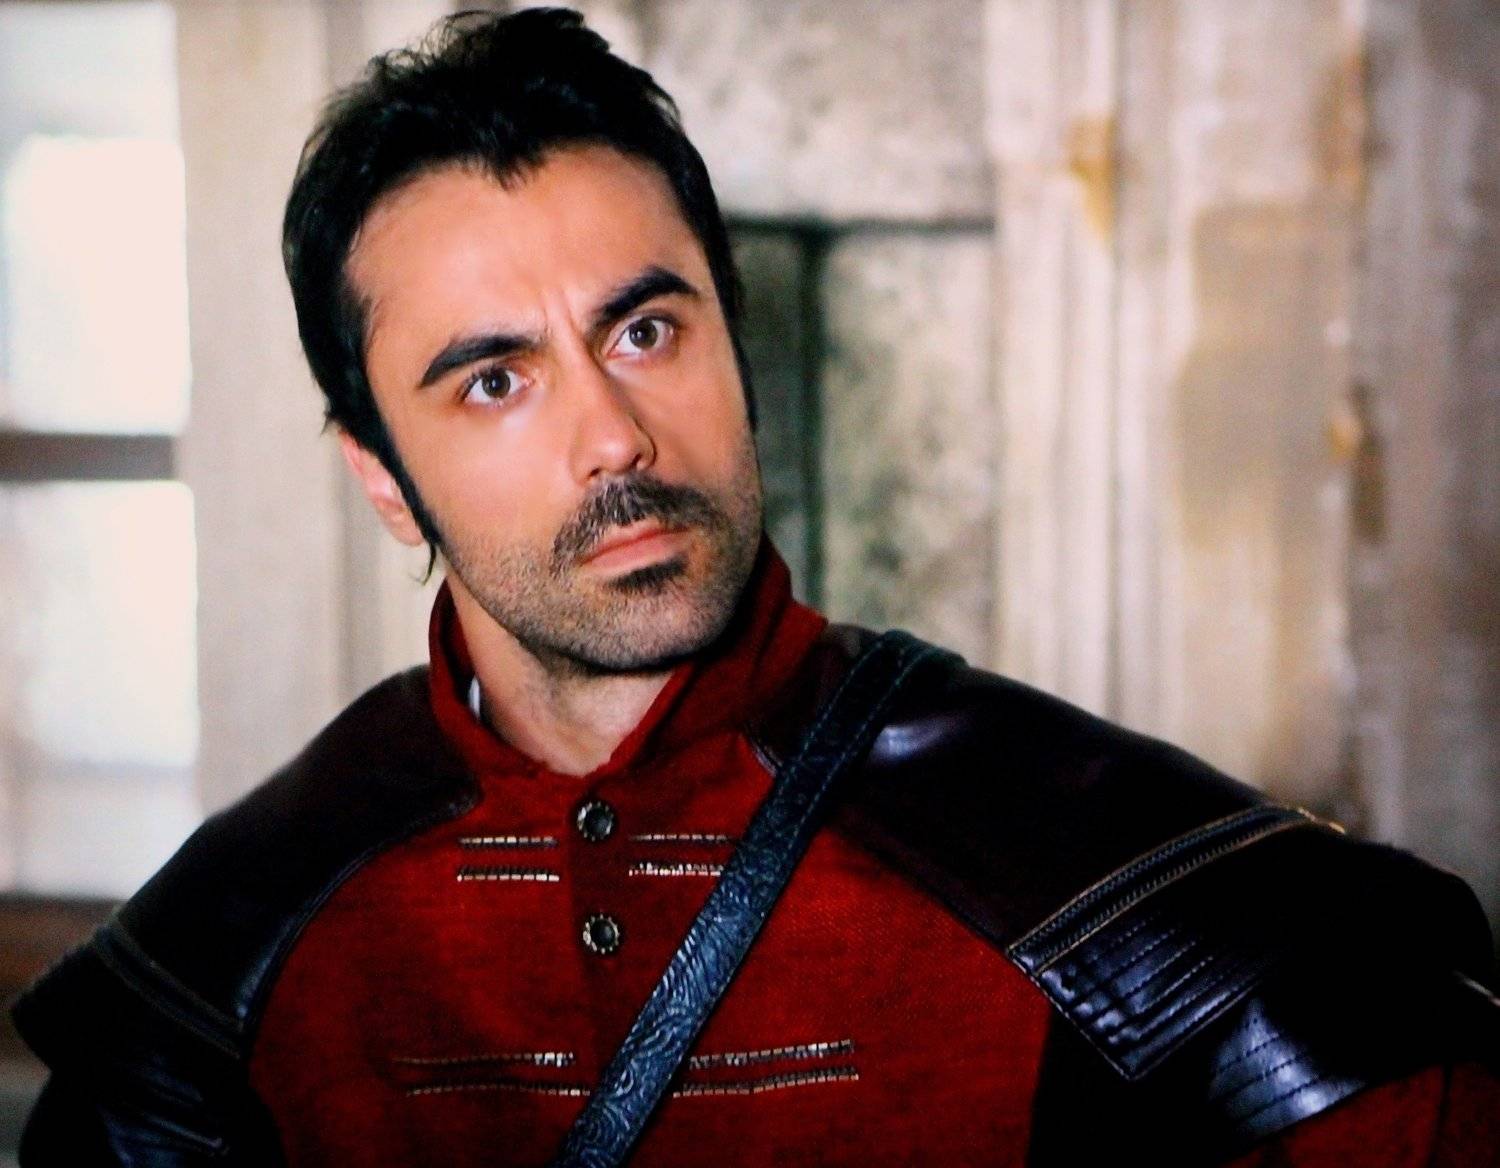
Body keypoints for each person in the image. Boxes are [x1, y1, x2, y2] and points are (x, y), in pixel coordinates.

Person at [13, 8, 1499, 1166]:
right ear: (383, 478)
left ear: (732, 340)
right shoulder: (232, 952)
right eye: (494, 380)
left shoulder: (1099, 866)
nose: (614, 435)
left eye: (645, 332)